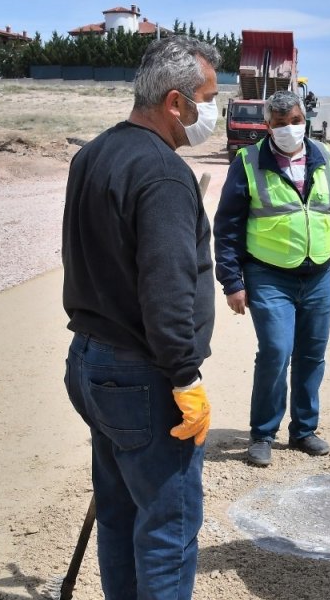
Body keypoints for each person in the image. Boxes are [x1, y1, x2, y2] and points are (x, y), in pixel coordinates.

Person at [61, 35, 220, 600]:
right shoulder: (163, 174)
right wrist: (185, 377)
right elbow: (167, 289)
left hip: (91, 362)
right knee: (167, 528)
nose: (213, 112)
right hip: (143, 375)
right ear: (176, 102)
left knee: (121, 513)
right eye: (209, 97)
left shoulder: (95, 153)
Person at [214, 89, 330, 467]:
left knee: (312, 354)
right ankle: (263, 433)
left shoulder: (325, 157)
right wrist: (232, 282)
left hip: (317, 275)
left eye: (295, 122)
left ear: (305, 120)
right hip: (268, 276)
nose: (289, 130)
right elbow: (227, 227)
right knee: (277, 351)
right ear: (268, 126)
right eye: (280, 124)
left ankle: (303, 430)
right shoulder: (248, 161)